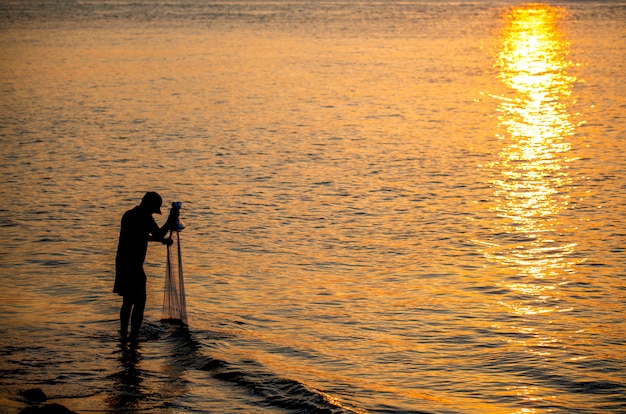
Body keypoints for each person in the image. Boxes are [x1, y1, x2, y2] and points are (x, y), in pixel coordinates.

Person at [114, 191, 178, 342]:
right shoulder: (144, 217)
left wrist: (159, 241)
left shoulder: (129, 215)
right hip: (134, 265)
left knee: (128, 301)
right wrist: (170, 220)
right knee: (140, 301)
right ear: (150, 206)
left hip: (122, 262)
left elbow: (139, 236)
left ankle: (124, 333)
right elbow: (158, 234)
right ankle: (134, 336)